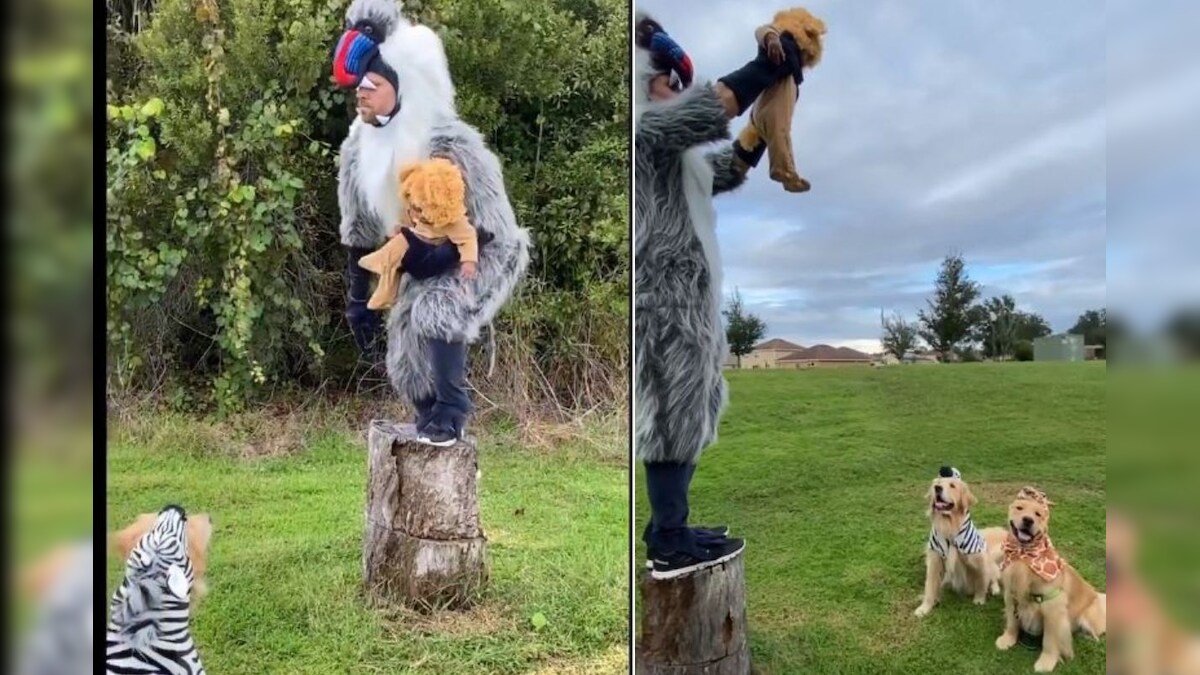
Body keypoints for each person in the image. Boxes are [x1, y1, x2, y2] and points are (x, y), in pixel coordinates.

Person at [634, 12, 796, 579]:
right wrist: (764, 67)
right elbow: (709, 109)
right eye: (664, 80)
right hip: (662, 302)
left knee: (691, 411)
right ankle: (669, 544)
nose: (675, 89)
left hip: (688, 301)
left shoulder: (670, 150)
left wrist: (758, 133)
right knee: (672, 417)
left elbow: (720, 171)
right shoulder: (643, 133)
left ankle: (670, 527)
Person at [332, 0, 530, 446]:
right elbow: (359, 231)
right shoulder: (357, 152)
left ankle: (453, 407)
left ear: (401, 88)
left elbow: (494, 224)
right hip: (419, 252)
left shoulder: (450, 142)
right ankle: (427, 412)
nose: (360, 93)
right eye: (358, 86)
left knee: (435, 307)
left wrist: (446, 257)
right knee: (402, 347)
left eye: (372, 84)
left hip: (482, 248)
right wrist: (358, 299)